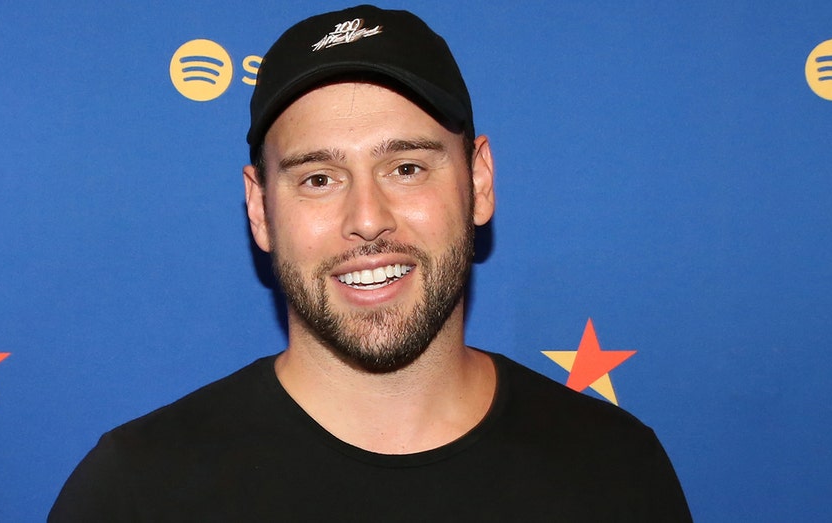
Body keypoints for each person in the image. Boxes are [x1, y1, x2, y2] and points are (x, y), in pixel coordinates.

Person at [49, 5, 691, 521]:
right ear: (260, 208)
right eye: (319, 178)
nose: (367, 217)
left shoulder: (613, 466)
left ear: (480, 181)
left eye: (406, 168)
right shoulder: (137, 491)